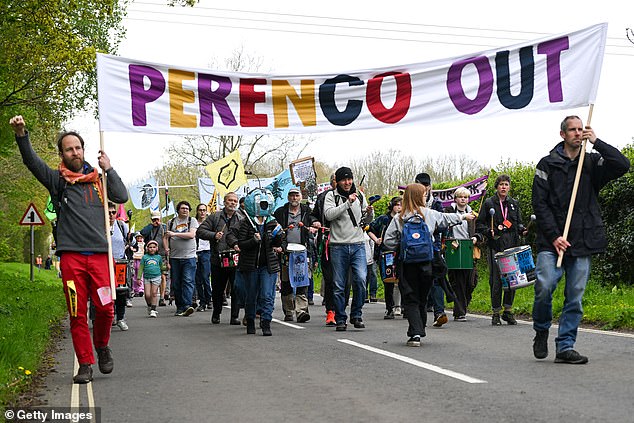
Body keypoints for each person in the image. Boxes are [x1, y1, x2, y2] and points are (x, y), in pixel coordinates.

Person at [10, 115, 127, 384]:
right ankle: (85, 363)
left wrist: (109, 169)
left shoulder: (99, 180)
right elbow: (32, 162)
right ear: (62, 154)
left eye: (78, 147)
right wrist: (21, 134)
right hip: (72, 258)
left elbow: (120, 197)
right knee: (77, 313)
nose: (74, 152)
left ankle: (102, 346)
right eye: (69, 149)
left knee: (106, 309)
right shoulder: (57, 181)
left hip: (100, 257)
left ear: (83, 150)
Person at [531, 116, 629, 364]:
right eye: (572, 130)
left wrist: (596, 141)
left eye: (580, 129)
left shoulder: (592, 162)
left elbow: (622, 165)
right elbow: (539, 204)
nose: (578, 133)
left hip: (583, 240)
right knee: (544, 287)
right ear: (562, 134)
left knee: (574, 296)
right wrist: (554, 236)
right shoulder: (546, 164)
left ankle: (565, 347)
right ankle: (541, 329)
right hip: (551, 241)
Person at [383, 184, 475, 347]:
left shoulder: (399, 217)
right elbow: (448, 219)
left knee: (410, 297)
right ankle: (421, 326)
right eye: (424, 194)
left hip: (407, 264)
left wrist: (401, 246)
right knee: (423, 297)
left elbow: (387, 241)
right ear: (420, 196)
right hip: (428, 262)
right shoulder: (430, 214)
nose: (426, 197)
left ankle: (415, 333)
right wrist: (464, 217)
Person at [227, 188, 283, 336]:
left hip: (268, 266)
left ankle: (266, 323)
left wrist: (278, 235)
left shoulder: (272, 222)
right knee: (250, 295)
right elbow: (239, 242)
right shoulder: (246, 222)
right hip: (250, 266)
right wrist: (253, 240)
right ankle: (250, 320)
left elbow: (277, 243)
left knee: (267, 295)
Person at [324, 166, 374, 331]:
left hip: (358, 244)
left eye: (349, 179)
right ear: (337, 181)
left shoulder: (360, 195)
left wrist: (370, 213)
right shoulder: (331, 196)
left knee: (360, 280)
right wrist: (347, 203)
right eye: (343, 180)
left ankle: (356, 314)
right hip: (338, 246)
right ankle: (340, 318)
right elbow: (329, 215)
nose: (347, 182)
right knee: (339, 284)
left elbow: (366, 221)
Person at [475, 174, 528, 326]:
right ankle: (496, 312)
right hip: (496, 246)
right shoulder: (489, 203)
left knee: (513, 280)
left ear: (509, 187)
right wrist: (488, 231)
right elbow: (480, 224)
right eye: (501, 184)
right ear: (496, 187)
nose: (504, 187)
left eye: (506, 184)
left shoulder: (514, 203)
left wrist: (522, 229)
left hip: (512, 245)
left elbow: (517, 223)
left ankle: (508, 311)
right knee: (497, 280)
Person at [197, 192, 243, 325]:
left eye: (235, 201)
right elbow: (200, 231)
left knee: (236, 288)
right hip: (218, 259)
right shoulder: (215, 217)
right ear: (224, 201)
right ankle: (216, 312)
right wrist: (213, 235)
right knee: (217, 289)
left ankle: (234, 316)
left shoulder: (241, 218)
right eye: (230, 200)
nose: (233, 203)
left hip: (236, 259)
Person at [273, 187, 319, 323]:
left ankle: (302, 311)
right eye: (291, 195)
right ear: (288, 197)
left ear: (300, 197)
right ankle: (288, 311)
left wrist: (313, 227)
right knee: (286, 282)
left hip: (303, 252)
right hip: (286, 252)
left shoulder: (307, 211)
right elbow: (274, 231)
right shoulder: (280, 212)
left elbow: (314, 225)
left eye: (296, 195)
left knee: (302, 281)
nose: (294, 198)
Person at [416, 172, 449, 327]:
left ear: (429, 187)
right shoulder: (409, 203)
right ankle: (417, 315)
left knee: (437, 278)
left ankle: (439, 312)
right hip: (415, 249)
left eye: (426, 186)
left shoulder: (436, 204)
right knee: (420, 281)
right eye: (420, 185)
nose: (424, 189)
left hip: (433, 246)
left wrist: (433, 224)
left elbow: (444, 223)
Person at [444, 187, 479, 321]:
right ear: (455, 199)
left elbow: (479, 230)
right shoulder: (448, 212)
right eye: (460, 197)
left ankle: (462, 307)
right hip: (454, 248)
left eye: (465, 197)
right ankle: (460, 312)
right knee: (458, 281)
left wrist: (477, 237)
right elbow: (443, 225)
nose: (463, 199)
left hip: (469, 249)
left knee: (471, 282)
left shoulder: (473, 214)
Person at [368, 196, 402, 319]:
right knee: (388, 281)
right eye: (397, 204)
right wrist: (376, 239)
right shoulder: (383, 219)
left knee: (403, 280)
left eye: (401, 205)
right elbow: (370, 229)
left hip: (402, 252)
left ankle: (403, 307)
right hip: (386, 253)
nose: (399, 207)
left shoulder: (405, 218)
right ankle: (389, 308)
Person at [311, 173, 337, 326]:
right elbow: (313, 215)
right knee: (330, 278)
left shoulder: (353, 197)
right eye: (335, 180)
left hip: (347, 242)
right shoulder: (322, 197)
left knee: (346, 281)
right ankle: (331, 311)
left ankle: (341, 308)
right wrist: (315, 222)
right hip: (327, 242)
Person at [164, 200, 198, 317]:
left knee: (188, 281)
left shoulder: (192, 221)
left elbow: (191, 235)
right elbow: (165, 237)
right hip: (174, 257)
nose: (185, 210)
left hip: (189, 256)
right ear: (178, 210)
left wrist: (175, 234)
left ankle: (187, 305)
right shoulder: (171, 222)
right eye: (183, 208)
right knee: (176, 283)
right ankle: (179, 307)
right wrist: (166, 247)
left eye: (187, 209)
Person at [139, 211, 169, 306]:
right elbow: (142, 233)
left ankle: (162, 297)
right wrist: (151, 225)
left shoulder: (164, 227)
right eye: (154, 219)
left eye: (157, 219)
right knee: (153, 276)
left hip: (162, 254)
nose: (156, 221)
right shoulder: (149, 228)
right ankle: (152, 296)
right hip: (151, 255)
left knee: (163, 275)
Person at [109, 202, 130, 331]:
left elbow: (130, 240)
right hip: (103, 263)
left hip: (120, 263)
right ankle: (106, 317)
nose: (111, 215)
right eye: (108, 212)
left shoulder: (122, 226)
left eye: (113, 212)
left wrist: (132, 238)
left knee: (121, 292)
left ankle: (120, 318)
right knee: (104, 292)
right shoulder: (98, 227)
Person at [194, 204, 212, 312]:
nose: (202, 212)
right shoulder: (193, 223)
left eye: (204, 210)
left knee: (206, 277)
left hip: (207, 251)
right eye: (200, 210)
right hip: (195, 252)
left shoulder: (209, 223)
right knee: (198, 279)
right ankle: (202, 301)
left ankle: (208, 298)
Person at [140, 240, 163, 318]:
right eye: (150, 247)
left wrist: (167, 267)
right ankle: (149, 305)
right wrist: (138, 278)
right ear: (147, 248)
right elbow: (141, 268)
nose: (152, 249)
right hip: (147, 277)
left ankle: (153, 309)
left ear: (157, 248)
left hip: (156, 277)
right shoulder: (144, 257)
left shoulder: (159, 257)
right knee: (147, 295)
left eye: (154, 247)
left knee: (154, 293)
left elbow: (161, 267)